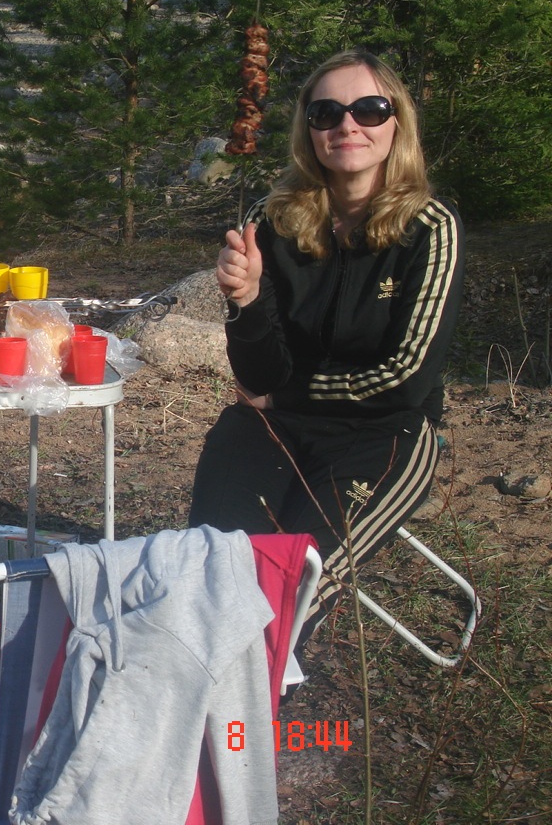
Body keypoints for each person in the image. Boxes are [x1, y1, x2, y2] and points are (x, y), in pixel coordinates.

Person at [188, 50, 464, 632]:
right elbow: (259, 378)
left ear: (396, 122)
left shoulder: (429, 227)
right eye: (327, 113)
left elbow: (407, 378)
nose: (347, 125)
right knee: (210, 577)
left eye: (369, 109)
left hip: (382, 433)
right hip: (272, 425)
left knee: (282, 601)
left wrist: (287, 396)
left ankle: (250, 693)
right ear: (308, 129)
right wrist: (246, 299)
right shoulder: (273, 220)